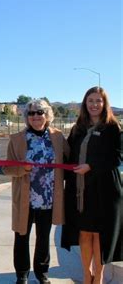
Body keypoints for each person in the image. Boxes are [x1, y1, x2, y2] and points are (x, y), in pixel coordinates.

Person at [3, 99, 69, 284]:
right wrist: (22, 169)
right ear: (26, 118)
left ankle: (42, 272)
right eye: (31, 113)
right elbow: (7, 168)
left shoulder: (57, 137)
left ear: (47, 115)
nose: (35, 116)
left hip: (48, 198)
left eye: (39, 112)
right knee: (21, 236)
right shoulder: (17, 139)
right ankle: (22, 274)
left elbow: (69, 158)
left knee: (43, 237)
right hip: (26, 197)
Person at [61, 87, 122, 284]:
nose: (94, 104)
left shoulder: (113, 127)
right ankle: (87, 275)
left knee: (99, 234)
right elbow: (68, 154)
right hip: (81, 190)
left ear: (105, 104)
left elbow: (117, 156)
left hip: (104, 189)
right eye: (90, 101)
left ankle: (99, 276)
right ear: (85, 104)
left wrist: (91, 166)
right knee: (85, 232)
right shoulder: (78, 128)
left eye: (98, 101)